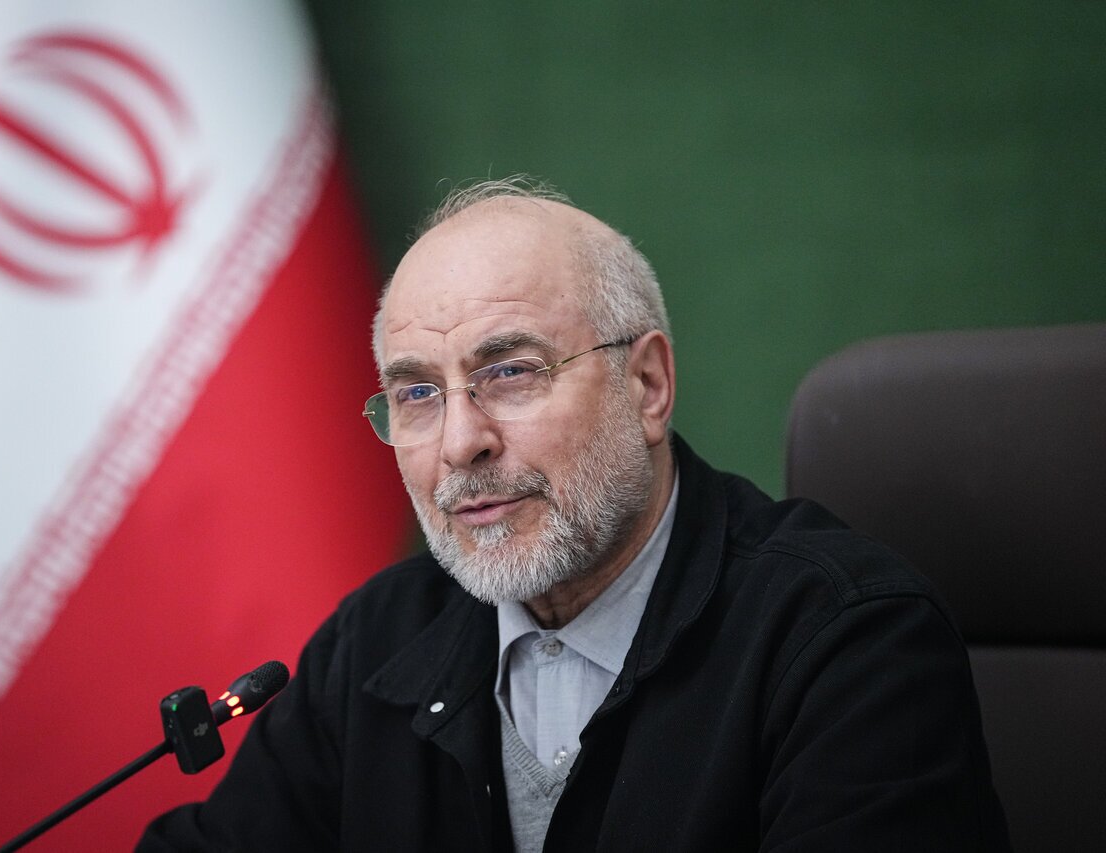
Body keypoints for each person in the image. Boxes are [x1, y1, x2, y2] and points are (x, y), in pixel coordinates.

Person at [139, 178, 1011, 851]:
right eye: (417, 393)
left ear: (647, 385)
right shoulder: (371, 645)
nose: (461, 443)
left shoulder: (848, 640)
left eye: (511, 372)